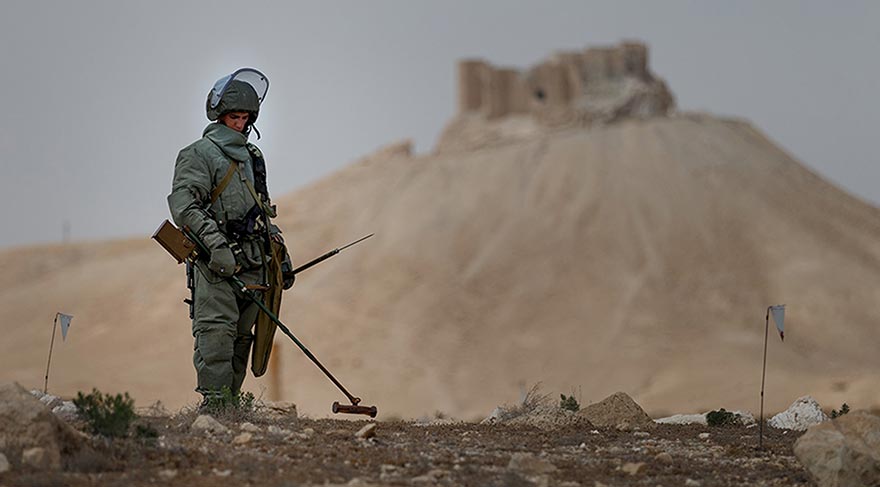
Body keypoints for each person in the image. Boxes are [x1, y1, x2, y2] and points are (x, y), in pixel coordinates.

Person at [167, 68, 292, 406]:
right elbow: (184, 207)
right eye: (233, 116)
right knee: (216, 339)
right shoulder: (198, 154)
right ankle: (215, 412)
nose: (239, 123)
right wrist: (217, 247)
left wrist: (280, 252)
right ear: (220, 116)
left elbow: (262, 208)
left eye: (244, 117)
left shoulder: (253, 157)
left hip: (253, 263)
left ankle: (232, 413)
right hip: (215, 265)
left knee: (241, 341)